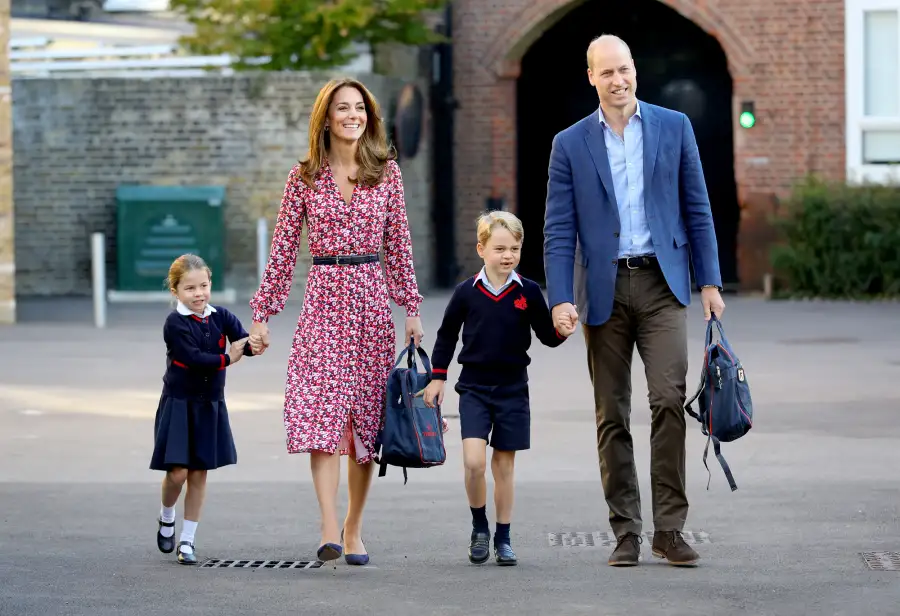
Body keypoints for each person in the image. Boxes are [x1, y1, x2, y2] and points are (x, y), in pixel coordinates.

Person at [543, 34, 727, 568]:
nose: (618, 80)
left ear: (635, 70)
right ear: (591, 78)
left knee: (669, 401)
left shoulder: (674, 126)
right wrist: (559, 299)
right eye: (607, 73)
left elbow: (699, 208)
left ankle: (669, 529)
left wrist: (710, 283)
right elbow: (559, 230)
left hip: (663, 284)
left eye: (625, 69)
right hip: (602, 290)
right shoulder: (569, 144)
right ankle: (625, 530)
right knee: (611, 413)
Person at [247, 77, 424, 566]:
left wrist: (411, 308)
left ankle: (354, 528)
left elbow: (399, 246)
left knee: (365, 426)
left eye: (360, 108)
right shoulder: (302, 177)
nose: (353, 115)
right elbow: (283, 252)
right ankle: (328, 525)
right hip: (323, 302)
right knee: (322, 414)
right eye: (343, 108)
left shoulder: (386, 173)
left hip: (370, 305)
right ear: (326, 117)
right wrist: (262, 316)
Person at [423, 210, 577, 566]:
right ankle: (480, 527)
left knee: (504, 466)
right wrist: (437, 376)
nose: (508, 256)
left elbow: (545, 335)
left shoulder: (529, 292)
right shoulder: (466, 293)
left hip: (512, 390)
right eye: (500, 248)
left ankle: (503, 537)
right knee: (475, 462)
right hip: (474, 389)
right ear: (481, 249)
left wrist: (561, 332)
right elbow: (446, 336)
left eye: (515, 249)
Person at [150, 253, 255, 565]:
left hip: (209, 404)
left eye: (204, 286)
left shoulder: (220, 316)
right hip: (179, 403)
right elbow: (194, 358)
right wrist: (229, 358)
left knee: (198, 474)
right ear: (175, 291)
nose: (198, 294)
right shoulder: (174, 323)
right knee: (177, 473)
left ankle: (187, 541)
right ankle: (166, 515)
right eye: (190, 288)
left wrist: (255, 343)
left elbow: (243, 341)